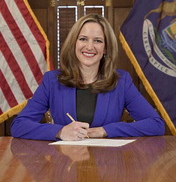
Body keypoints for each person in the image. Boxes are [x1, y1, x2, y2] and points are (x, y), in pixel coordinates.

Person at [11, 14, 165, 141]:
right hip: (64, 166)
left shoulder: (121, 81)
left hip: (109, 169)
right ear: (74, 43)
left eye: (97, 41)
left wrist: (105, 130)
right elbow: (19, 125)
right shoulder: (52, 81)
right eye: (83, 39)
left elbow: (156, 124)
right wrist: (60, 132)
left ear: (105, 48)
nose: (89, 47)